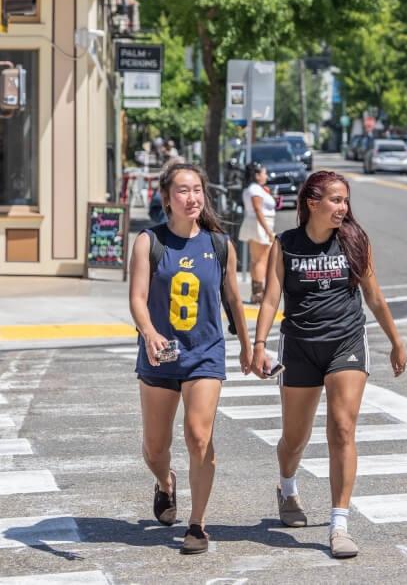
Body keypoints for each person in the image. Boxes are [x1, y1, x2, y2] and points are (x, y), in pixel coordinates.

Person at [249, 170, 407, 560]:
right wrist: (257, 345)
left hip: (346, 343)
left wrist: (396, 341)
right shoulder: (285, 244)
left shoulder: (354, 241)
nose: (343, 208)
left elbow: (375, 297)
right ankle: (287, 486)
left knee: (341, 428)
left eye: (346, 201)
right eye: (336, 200)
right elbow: (270, 300)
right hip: (299, 347)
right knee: (294, 438)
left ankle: (339, 524)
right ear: (312, 202)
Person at [128, 163, 252, 555]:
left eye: (197, 189)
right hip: (160, 355)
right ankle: (166, 483)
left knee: (199, 436)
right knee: (154, 446)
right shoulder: (150, 242)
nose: (192, 198)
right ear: (167, 198)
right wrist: (149, 333)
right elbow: (136, 298)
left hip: (205, 353)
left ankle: (197, 524)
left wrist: (250, 346)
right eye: (183, 190)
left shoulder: (219, 244)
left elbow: (233, 299)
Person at [238, 162, 277, 304]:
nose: (266, 176)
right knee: (261, 260)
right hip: (260, 223)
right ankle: (259, 292)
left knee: (256, 260)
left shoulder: (253, 188)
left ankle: (256, 292)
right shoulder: (255, 189)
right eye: (263, 173)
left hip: (256, 223)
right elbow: (258, 209)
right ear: (257, 175)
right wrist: (268, 231)